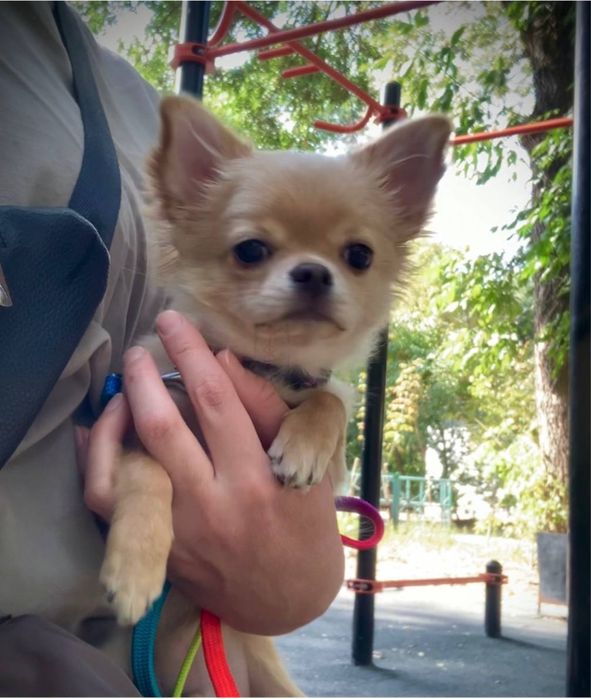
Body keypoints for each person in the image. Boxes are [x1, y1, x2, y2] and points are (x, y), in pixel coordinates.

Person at [0, 2, 343, 692]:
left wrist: (298, 581)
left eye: (354, 256)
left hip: (163, 654)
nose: (310, 274)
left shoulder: (123, 97)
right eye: (255, 249)